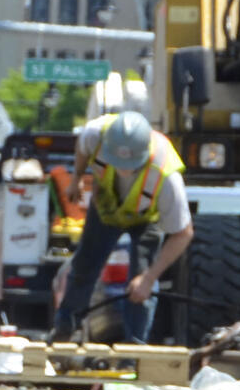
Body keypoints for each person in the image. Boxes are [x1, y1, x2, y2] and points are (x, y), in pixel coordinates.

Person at [49, 110, 192, 344]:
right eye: (118, 163)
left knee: (140, 283)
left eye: (130, 165)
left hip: (146, 219)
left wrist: (149, 278)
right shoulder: (95, 134)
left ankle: (135, 347)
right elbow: (82, 149)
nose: (123, 169)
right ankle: (64, 328)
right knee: (84, 265)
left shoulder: (167, 178)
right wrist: (76, 179)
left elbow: (183, 234)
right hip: (106, 210)